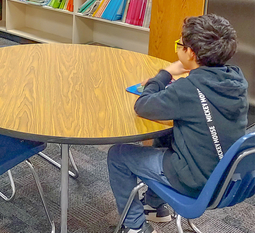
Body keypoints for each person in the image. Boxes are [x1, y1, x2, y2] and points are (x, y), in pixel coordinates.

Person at [107, 14, 249, 233]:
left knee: (117, 155)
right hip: (228, 177)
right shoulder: (237, 80)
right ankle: (155, 206)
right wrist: (178, 84)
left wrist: (164, 75)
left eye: (180, 44)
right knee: (167, 134)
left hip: (195, 181)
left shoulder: (188, 90)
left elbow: (143, 105)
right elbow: (198, 105)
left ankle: (134, 227)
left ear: (190, 52)